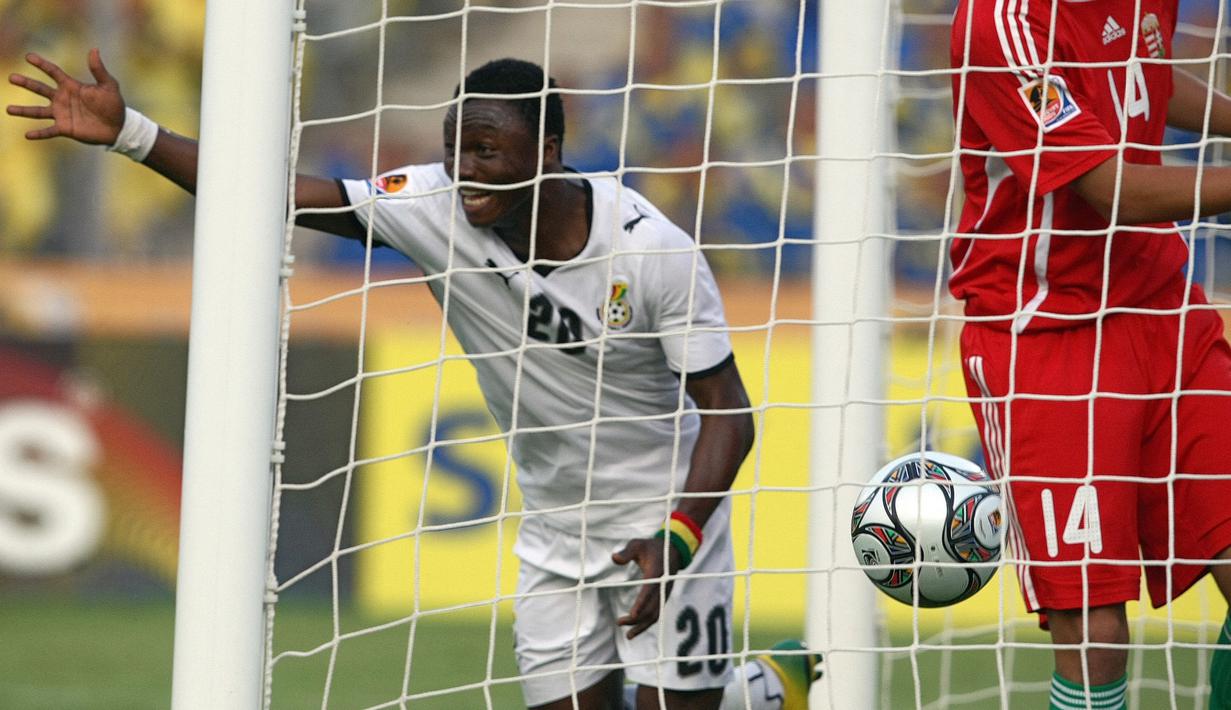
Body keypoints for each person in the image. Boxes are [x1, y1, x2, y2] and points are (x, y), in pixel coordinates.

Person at [7, 51, 821, 710]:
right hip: (553, 534)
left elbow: (728, 416)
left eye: (488, 152)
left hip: (669, 527)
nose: (464, 171)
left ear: (547, 153)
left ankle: (760, 689)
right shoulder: (433, 205)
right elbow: (279, 198)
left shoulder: (651, 252)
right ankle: (762, 690)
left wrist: (677, 536)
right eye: (454, 148)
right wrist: (134, 135)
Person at [950, 2, 1231, 708]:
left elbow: (1149, 75)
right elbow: (1102, 185)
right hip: (1047, 332)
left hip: (1163, 307)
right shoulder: (1001, 22)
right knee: (1092, 622)